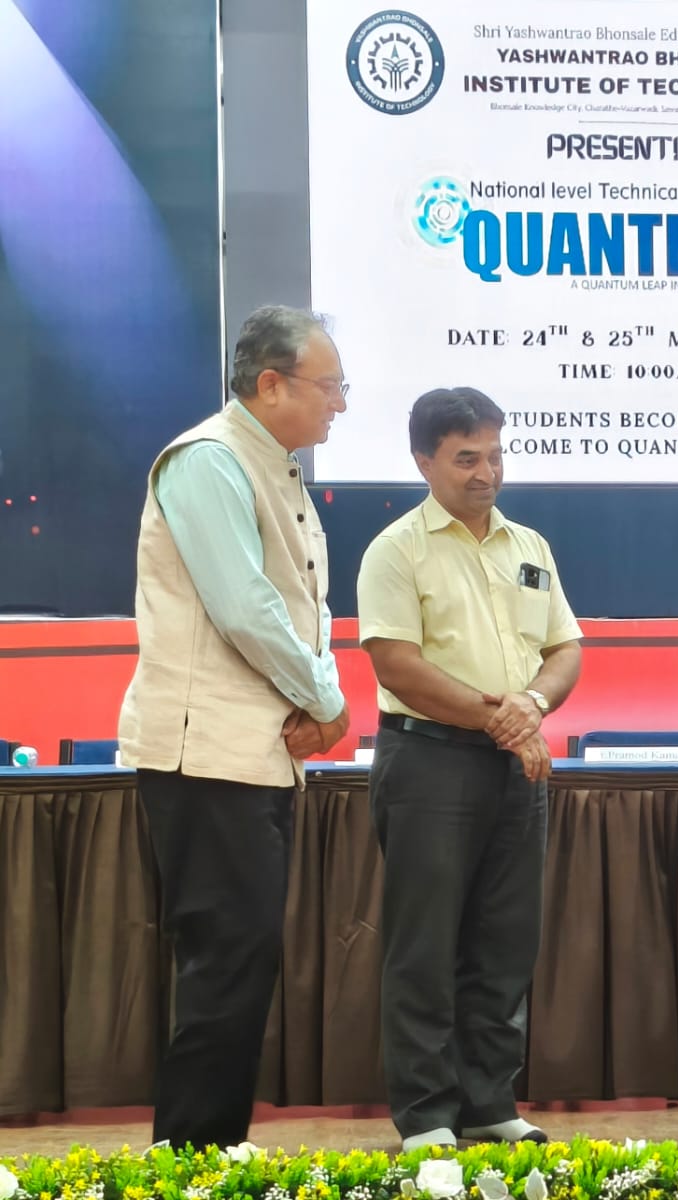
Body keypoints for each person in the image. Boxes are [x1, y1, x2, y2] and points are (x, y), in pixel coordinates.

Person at [118, 304, 351, 1150]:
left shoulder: (269, 466)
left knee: (243, 957)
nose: (341, 403)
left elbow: (297, 609)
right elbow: (246, 610)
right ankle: (191, 1156)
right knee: (225, 957)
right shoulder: (209, 460)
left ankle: (214, 1144)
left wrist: (318, 698)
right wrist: (325, 701)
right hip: (203, 755)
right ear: (271, 383)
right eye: (330, 386)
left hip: (248, 754)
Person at [356, 387, 583, 1151]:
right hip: (429, 761)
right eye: (465, 459)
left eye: (494, 454)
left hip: (515, 764)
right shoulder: (396, 551)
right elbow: (396, 664)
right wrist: (499, 717)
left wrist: (532, 705)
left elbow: (564, 649)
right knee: (424, 946)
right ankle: (426, 1114)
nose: (486, 473)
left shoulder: (529, 546)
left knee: (504, 941)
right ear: (423, 461)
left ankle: (488, 1101)